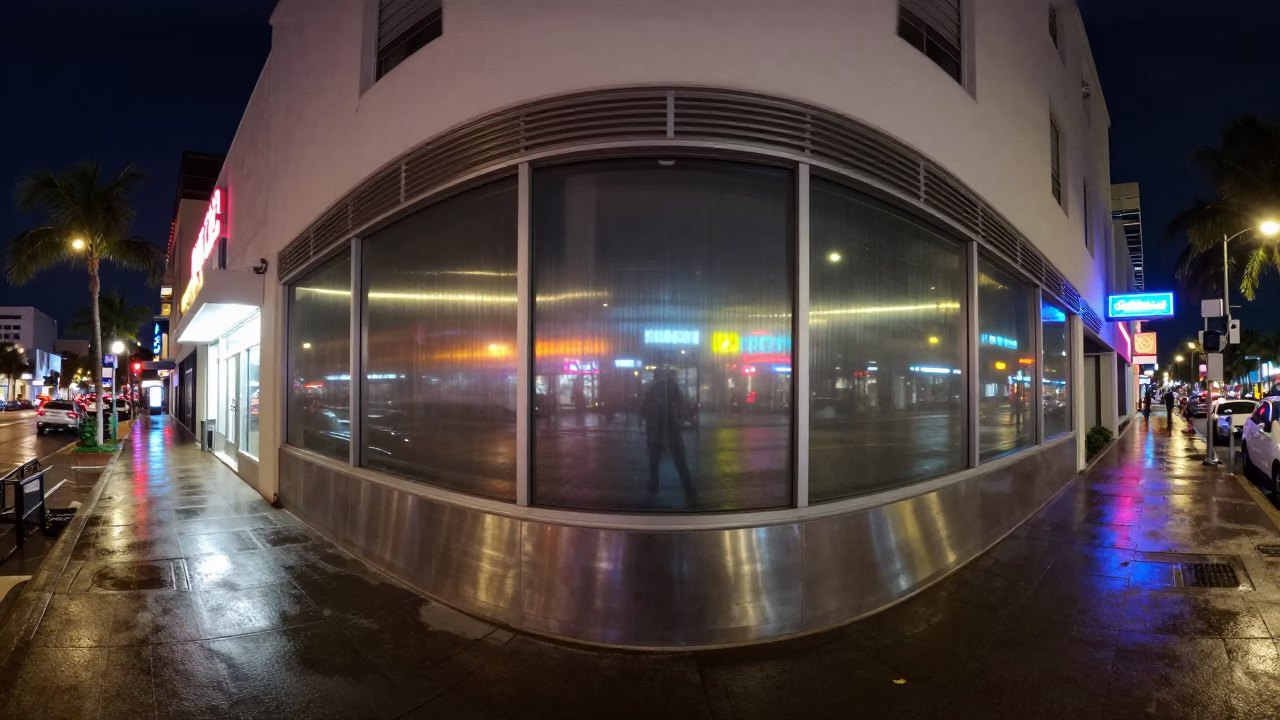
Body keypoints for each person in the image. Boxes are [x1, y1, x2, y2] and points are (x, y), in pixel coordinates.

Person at [641, 369, 695, 500]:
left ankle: (652, 492)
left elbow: (643, 410)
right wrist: (683, 418)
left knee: (654, 464)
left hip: (655, 433)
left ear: (655, 377)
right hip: (673, 432)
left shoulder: (652, 390)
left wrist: (650, 420)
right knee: (681, 464)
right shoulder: (673, 388)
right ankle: (690, 491)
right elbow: (684, 406)